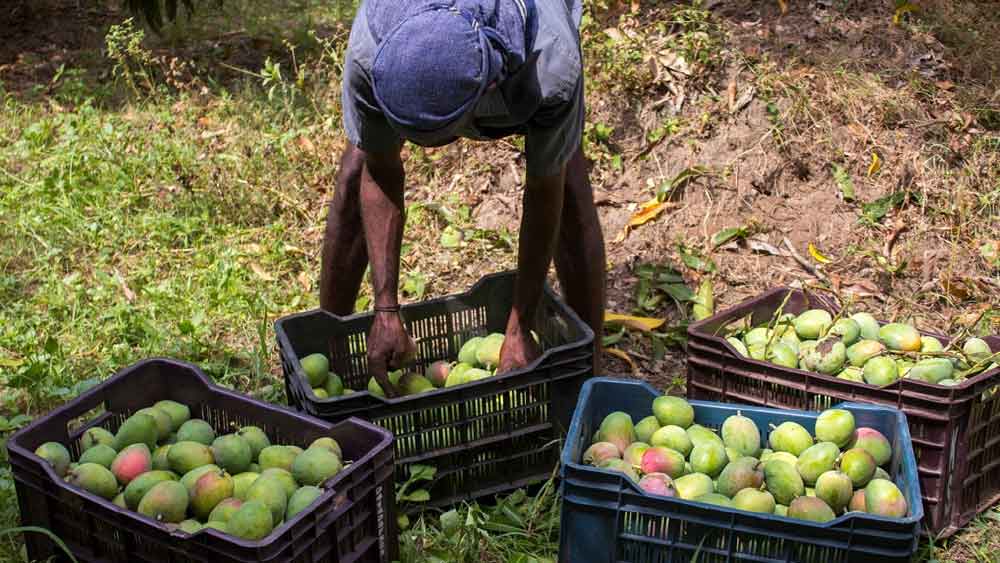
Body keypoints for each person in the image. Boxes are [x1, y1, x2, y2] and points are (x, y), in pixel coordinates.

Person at [319, 0, 605, 397]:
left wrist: (519, 327)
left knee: (566, 184)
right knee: (356, 174)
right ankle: (329, 351)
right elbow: (381, 171)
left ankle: (588, 375)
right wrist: (385, 308)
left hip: (525, 56)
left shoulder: (550, 65)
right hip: (407, 43)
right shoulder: (370, 53)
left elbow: (544, 188)